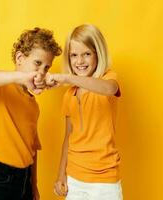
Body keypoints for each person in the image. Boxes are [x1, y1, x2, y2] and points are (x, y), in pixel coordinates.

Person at [0, 27, 62, 200]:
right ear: (20, 58)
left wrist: (33, 184)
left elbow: (32, 149)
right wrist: (19, 77)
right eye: (37, 63)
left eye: (46, 68)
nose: (41, 72)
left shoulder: (33, 106)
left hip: (24, 178)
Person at [48, 24, 123, 200]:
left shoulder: (108, 79)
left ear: (98, 54)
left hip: (105, 180)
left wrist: (67, 78)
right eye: (74, 55)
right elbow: (68, 136)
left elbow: (110, 89)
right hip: (75, 178)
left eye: (86, 54)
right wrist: (61, 175)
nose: (79, 61)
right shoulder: (69, 94)